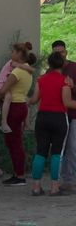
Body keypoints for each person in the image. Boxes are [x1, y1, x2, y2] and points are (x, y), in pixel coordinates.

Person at [28, 52, 76, 196]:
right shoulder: (64, 81)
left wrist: (27, 100)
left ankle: (36, 187)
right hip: (59, 118)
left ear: (49, 64)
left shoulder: (41, 79)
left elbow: (34, 99)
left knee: (40, 152)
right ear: (62, 64)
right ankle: (54, 187)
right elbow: (67, 102)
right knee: (57, 153)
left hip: (42, 117)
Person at [0, 42, 37, 186]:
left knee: (15, 142)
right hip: (21, 106)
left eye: (13, 51)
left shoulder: (17, 72)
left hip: (14, 107)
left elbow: (3, 90)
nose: (11, 53)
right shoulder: (25, 71)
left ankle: (19, 175)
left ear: (19, 54)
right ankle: (17, 173)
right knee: (13, 141)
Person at [52, 41, 76, 193]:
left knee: (72, 148)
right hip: (57, 115)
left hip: (73, 115)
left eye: (61, 52)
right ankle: (58, 181)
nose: (59, 54)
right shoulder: (51, 71)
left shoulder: (74, 67)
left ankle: (68, 181)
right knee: (58, 149)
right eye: (56, 52)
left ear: (66, 52)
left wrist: (73, 85)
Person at [0, 58, 35, 133]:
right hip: (1, 84)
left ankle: (26, 125)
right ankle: (4, 122)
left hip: (6, 84)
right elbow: (21, 66)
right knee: (8, 97)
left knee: (26, 100)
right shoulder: (12, 61)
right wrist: (31, 69)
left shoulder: (19, 67)